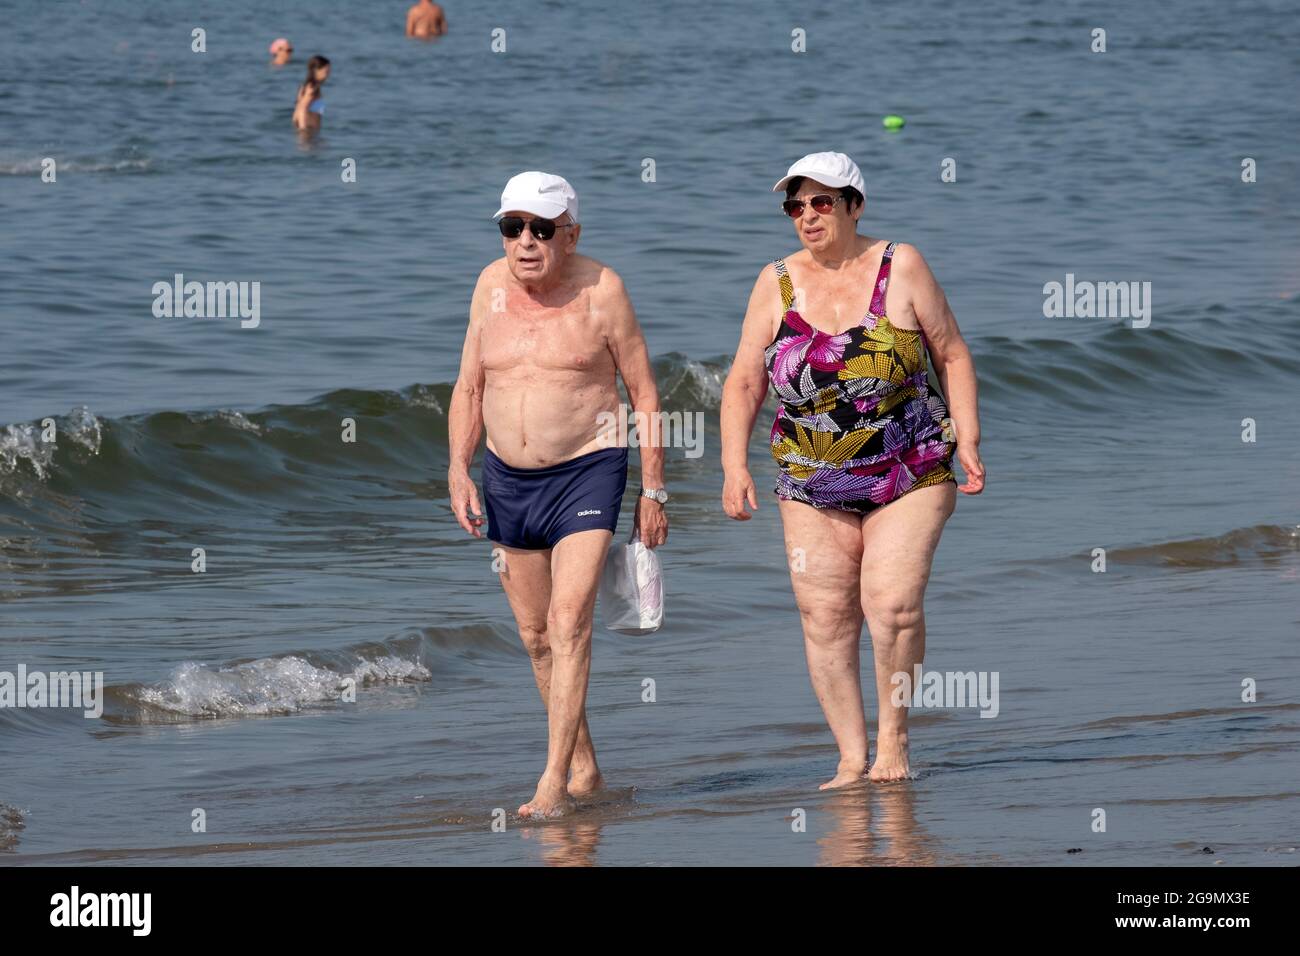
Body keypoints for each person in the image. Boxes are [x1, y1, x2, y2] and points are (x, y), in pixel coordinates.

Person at [720, 151, 985, 788]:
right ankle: (849, 757)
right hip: (809, 475)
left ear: (855, 206)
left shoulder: (902, 265)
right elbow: (745, 380)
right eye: (795, 206)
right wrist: (732, 464)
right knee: (825, 616)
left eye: (821, 202)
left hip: (910, 463)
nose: (807, 216)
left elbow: (951, 354)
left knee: (891, 606)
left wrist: (969, 437)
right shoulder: (775, 281)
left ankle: (893, 742)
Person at [448, 171, 668, 818]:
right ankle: (584, 764)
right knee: (536, 635)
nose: (525, 241)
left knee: (570, 622)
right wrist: (457, 468)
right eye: (512, 227)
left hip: (586, 469)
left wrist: (654, 490)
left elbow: (644, 393)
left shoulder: (603, 291)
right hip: (506, 477)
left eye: (541, 229)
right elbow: (469, 386)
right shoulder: (488, 287)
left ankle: (552, 783)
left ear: (570, 235)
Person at [292, 55, 330, 132]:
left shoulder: (306, 86)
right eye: (326, 72)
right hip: (308, 130)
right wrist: (303, 131)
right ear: (316, 71)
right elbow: (302, 109)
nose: (328, 75)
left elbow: (296, 113)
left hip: (310, 130)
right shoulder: (312, 88)